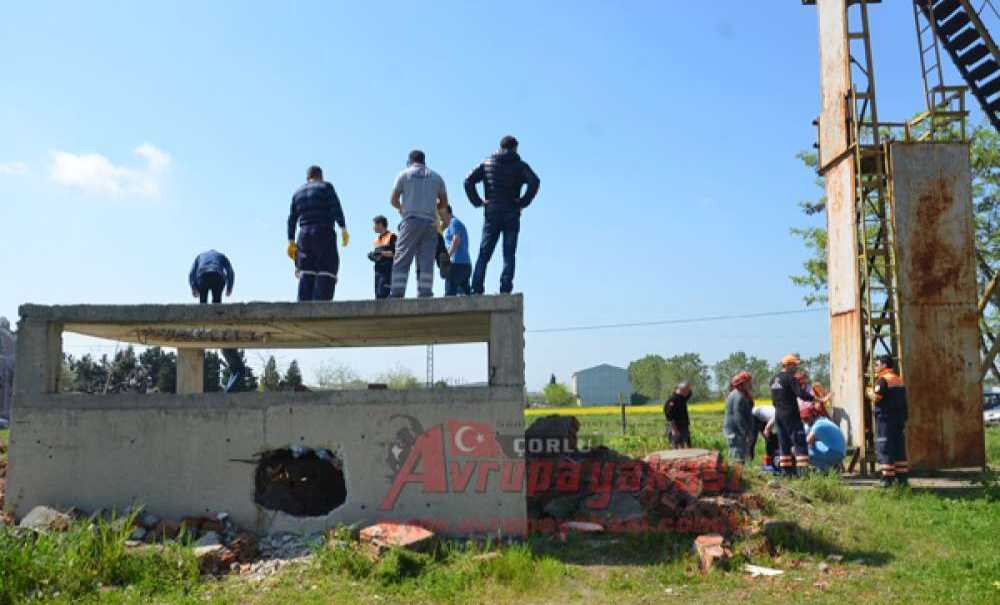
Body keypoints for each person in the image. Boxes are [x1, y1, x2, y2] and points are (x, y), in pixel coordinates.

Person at [464, 135, 540, 295]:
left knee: (484, 253)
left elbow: (468, 181)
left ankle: (476, 287)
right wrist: (522, 202)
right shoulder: (519, 166)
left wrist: (478, 202)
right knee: (509, 253)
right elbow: (534, 181)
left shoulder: (487, 163)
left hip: (491, 211)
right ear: (515, 148)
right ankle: (505, 288)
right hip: (511, 212)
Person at [389, 150, 448, 298]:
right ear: (424, 161)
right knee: (426, 260)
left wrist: (401, 208)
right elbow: (444, 203)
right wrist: (432, 207)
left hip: (410, 221)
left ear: (410, 161)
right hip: (430, 223)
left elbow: (393, 199)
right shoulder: (436, 177)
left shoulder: (404, 174)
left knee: (402, 258)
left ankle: (397, 292)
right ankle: (425, 293)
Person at [287, 165, 348, 302]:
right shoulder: (326, 187)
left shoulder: (298, 193)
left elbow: (292, 219)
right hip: (323, 231)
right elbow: (335, 207)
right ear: (321, 176)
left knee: (306, 271)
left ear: (308, 177)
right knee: (327, 269)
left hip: (304, 235)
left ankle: (303, 307)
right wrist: (342, 227)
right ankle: (322, 306)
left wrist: (290, 239)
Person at [187, 250, 245, 392]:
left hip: (202, 274)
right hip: (218, 275)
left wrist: (194, 287)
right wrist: (230, 287)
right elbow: (230, 271)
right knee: (216, 305)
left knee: (203, 307)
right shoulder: (221, 256)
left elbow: (190, 273)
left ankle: (203, 327)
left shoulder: (199, 256)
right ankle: (215, 324)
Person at [770, 354, 829, 477]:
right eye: (795, 365)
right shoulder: (790, 378)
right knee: (800, 443)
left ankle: (787, 474)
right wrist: (817, 399)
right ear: (788, 365)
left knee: (784, 444)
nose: (796, 367)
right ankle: (803, 475)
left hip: (779, 416)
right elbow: (801, 394)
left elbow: (774, 400)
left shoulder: (773, 380)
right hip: (791, 415)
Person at [868, 355, 909, 487]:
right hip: (899, 419)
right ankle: (902, 478)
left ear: (884, 365)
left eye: (877, 364)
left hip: (886, 419)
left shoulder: (883, 380)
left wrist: (868, 391)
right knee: (898, 447)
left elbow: (876, 397)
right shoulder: (898, 379)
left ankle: (887, 479)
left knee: (884, 446)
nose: (875, 367)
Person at [723, 371, 755, 463]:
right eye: (748, 382)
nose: (750, 384)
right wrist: (745, 432)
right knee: (737, 457)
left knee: (738, 456)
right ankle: (735, 476)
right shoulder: (738, 396)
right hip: (736, 432)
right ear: (742, 384)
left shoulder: (737, 394)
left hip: (736, 431)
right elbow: (738, 416)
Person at [441, 204, 471, 295]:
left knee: (449, 296)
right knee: (466, 297)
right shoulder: (453, 224)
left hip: (456, 265)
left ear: (446, 212)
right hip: (465, 265)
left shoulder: (453, 222)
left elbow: (456, 240)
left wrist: (447, 257)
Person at [367, 215, 396, 299]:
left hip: (387, 271)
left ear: (380, 224)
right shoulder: (376, 240)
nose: (373, 227)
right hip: (378, 271)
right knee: (378, 295)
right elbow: (378, 256)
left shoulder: (392, 236)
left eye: (375, 225)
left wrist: (381, 253)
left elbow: (396, 253)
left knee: (383, 293)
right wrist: (373, 256)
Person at [751, 403, 780, 473]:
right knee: (752, 439)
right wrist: (767, 431)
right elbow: (767, 428)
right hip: (755, 416)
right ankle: (749, 460)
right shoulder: (779, 414)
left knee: (774, 439)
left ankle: (771, 461)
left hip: (766, 418)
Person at [663, 381, 693, 448]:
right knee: (677, 451)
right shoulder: (672, 400)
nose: (688, 393)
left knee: (687, 449)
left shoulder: (682, 398)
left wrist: (688, 386)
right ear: (682, 390)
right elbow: (669, 416)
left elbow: (690, 393)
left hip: (683, 427)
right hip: (676, 428)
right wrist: (674, 430)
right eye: (687, 391)